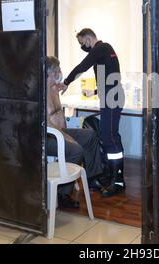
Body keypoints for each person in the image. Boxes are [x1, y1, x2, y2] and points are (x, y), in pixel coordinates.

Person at [58, 28, 126, 198]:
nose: (83, 47)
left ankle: (117, 181)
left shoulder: (100, 49)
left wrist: (66, 82)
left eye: (82, 43)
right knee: (111, 136)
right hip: (112, 94)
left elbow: (82, 67)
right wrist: (95, 92)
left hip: (112, 96)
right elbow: (112, 77)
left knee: (108, 137)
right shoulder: (105, 50)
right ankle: (113, 176)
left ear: (88, 39)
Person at [46, 56, 104, 209]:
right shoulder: (40, 92)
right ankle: (62, 194)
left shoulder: (55, 88)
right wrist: (66, 137)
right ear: (50, 73)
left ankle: (92, 178)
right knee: (76, 150)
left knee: (90, 135)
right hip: (47, 137)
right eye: (57, 70)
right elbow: (47, 123)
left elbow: (59, 115)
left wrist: (68, 133)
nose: (60, 72)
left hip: (59, 132)